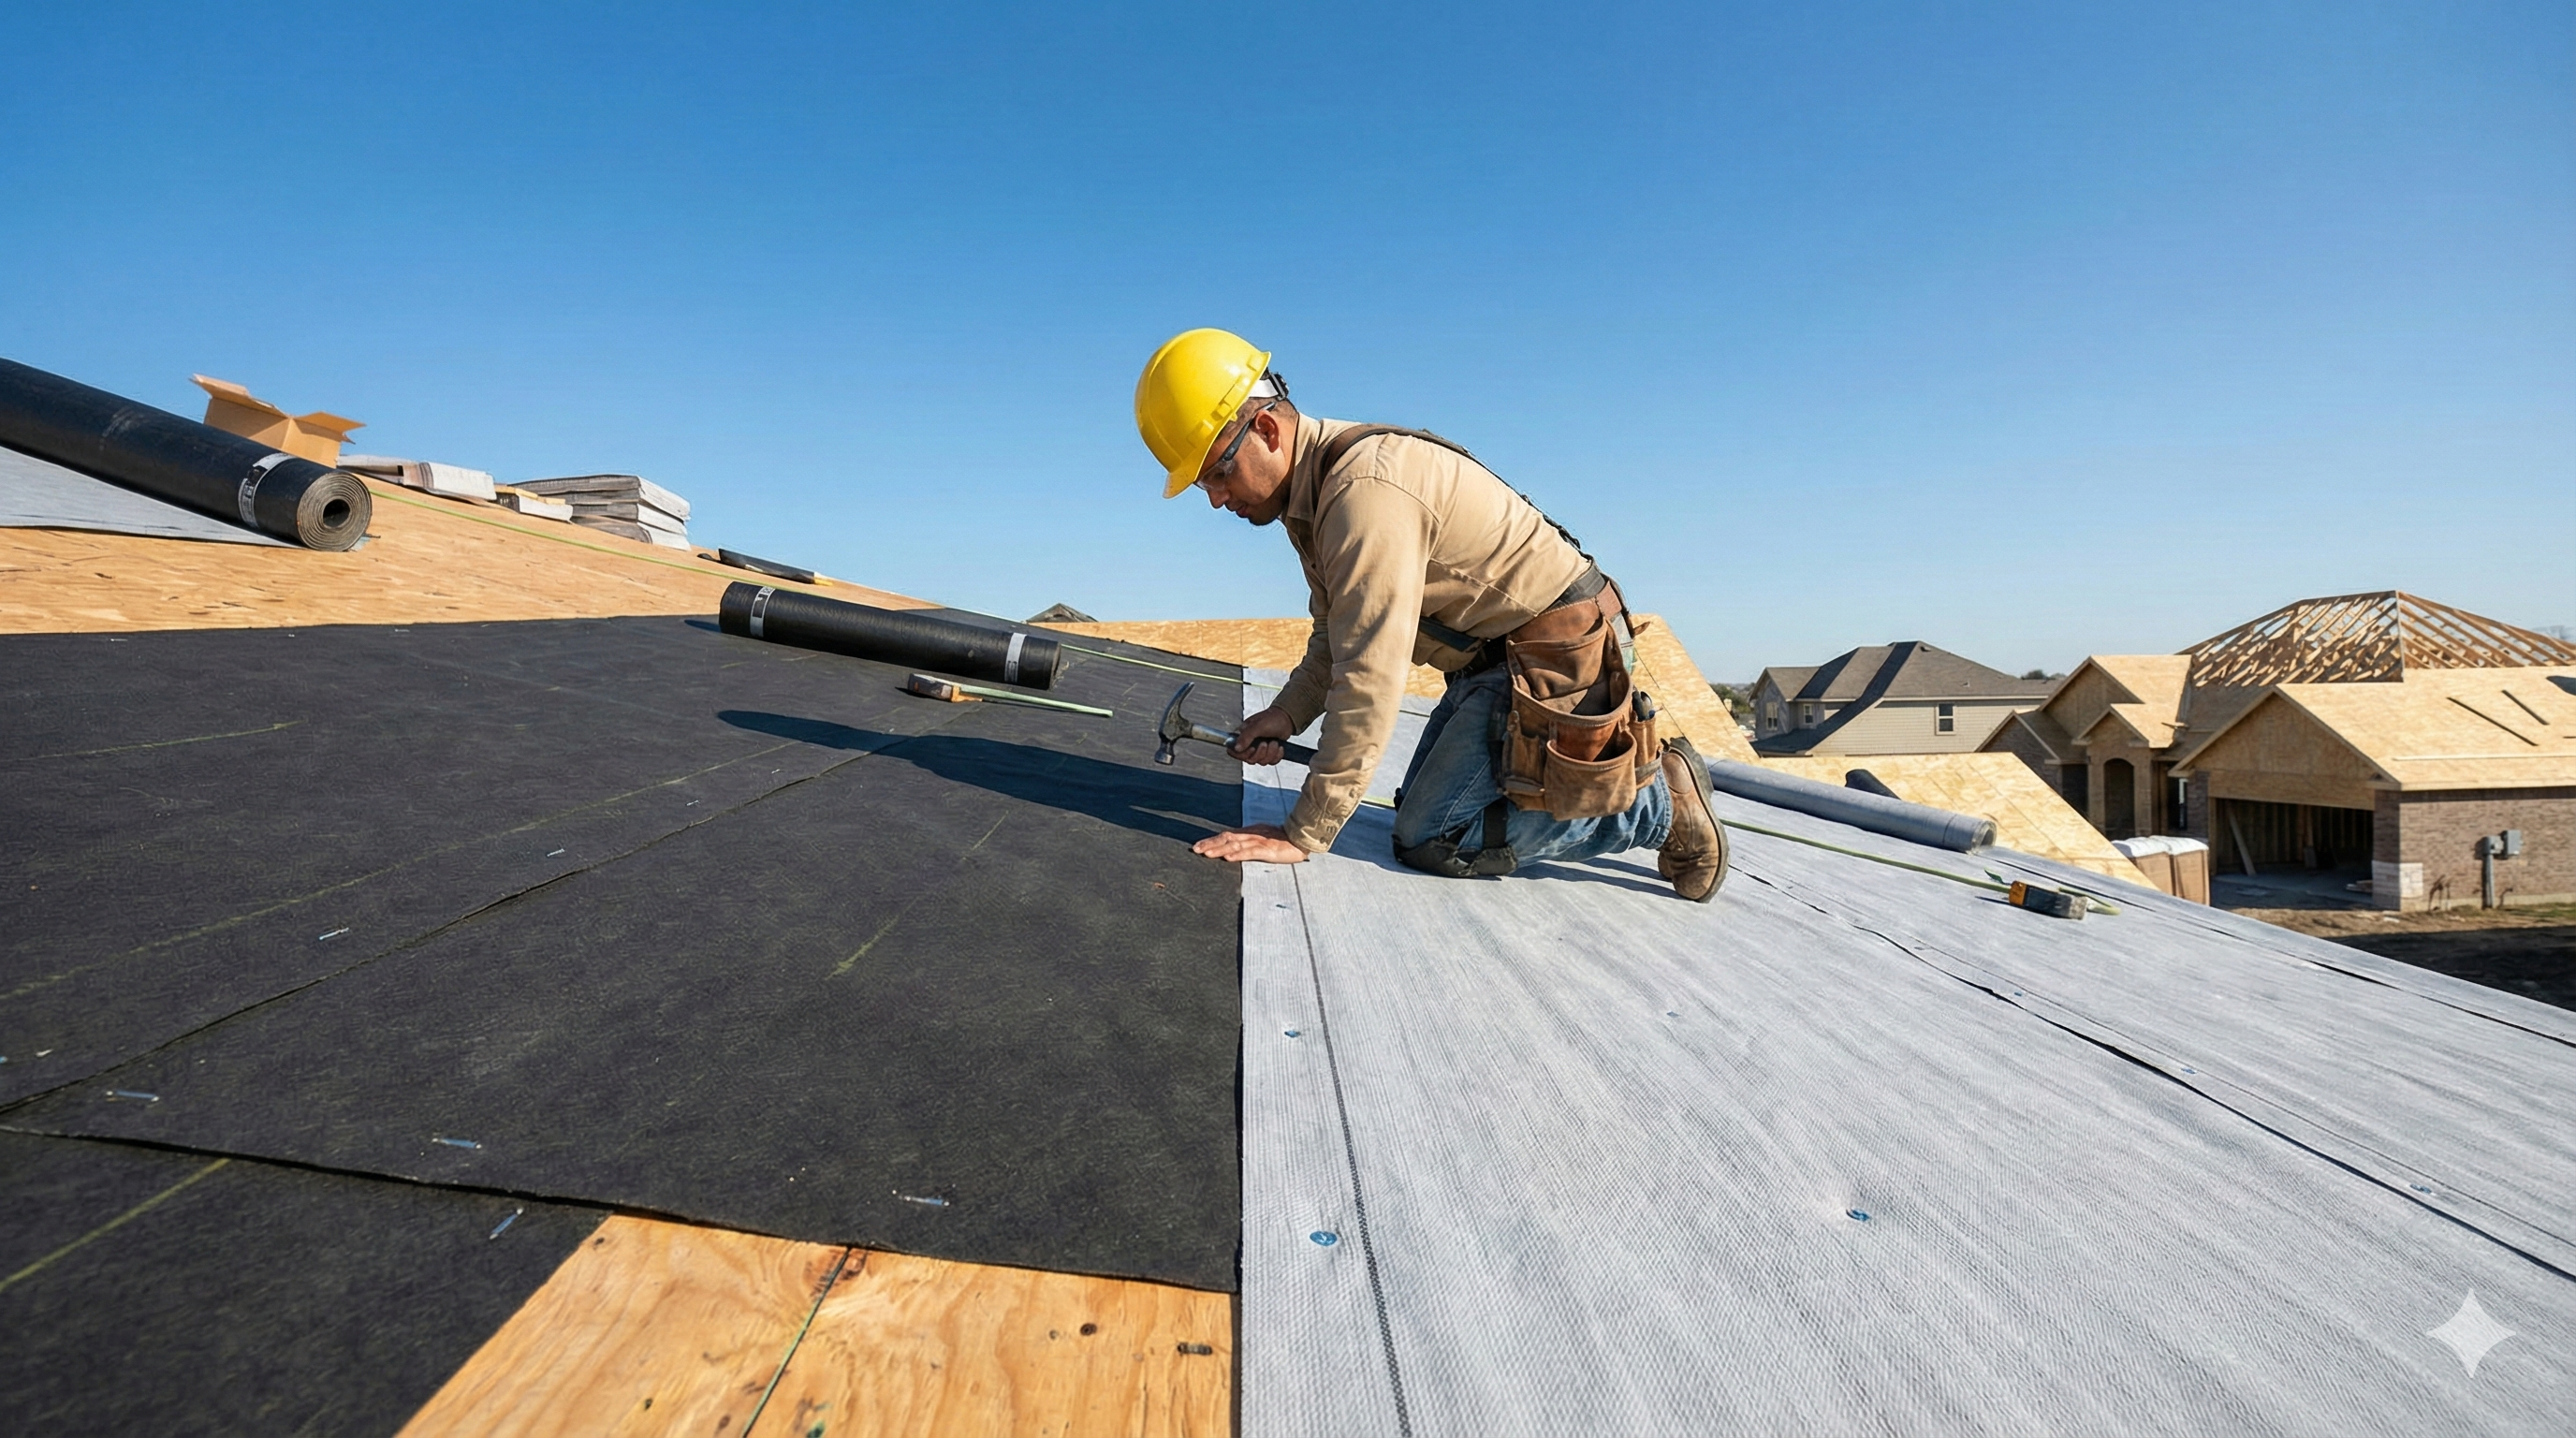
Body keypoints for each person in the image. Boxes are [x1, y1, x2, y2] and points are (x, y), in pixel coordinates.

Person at [1133, 328, 1727, 901]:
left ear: (1266, 428)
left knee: (1432, 836)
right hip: (1496, 666)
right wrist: (1287, 715)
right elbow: (1335, 635)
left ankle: (1660, 806)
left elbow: (1369, 672)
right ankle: (1591, 788)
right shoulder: (1309, 503)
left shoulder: (1362, 494)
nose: (1215, 498)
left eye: (1218, 472)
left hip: (1555, 658)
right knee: (1414, 808)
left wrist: (1303, 832)